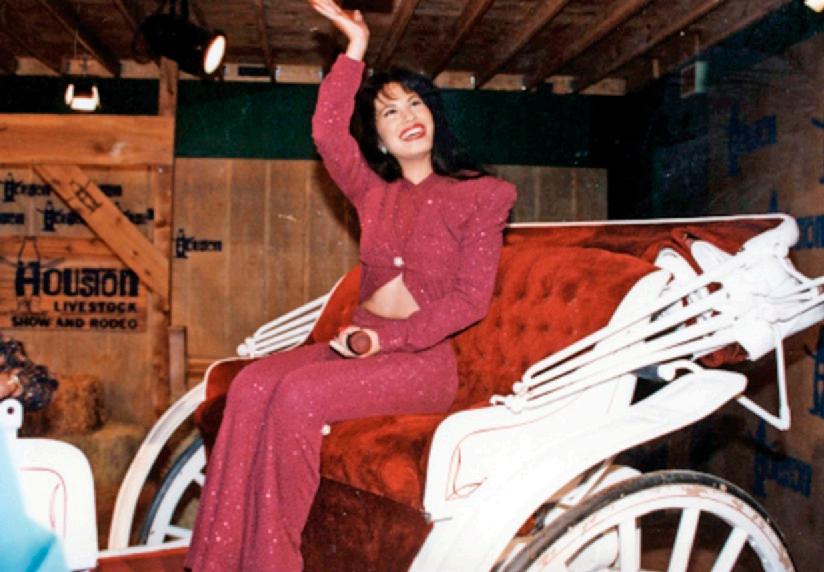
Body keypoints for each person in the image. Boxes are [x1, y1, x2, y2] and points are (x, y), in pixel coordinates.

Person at [185, 1, 516, 570]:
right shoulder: (373, 193)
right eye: (389, 112)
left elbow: (469, 300)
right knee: (252, 384)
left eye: (415, 103)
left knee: (297, 395)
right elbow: (326, 132)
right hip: (357, 344)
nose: (407, 115)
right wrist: (355, 48)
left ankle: (273, 563)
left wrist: (385, 340)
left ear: (434, 116)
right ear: (380, 138)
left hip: (422, 363)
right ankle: (216, 560)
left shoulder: (484, 195)